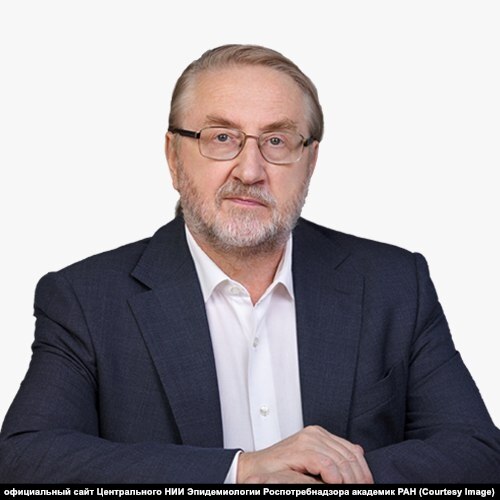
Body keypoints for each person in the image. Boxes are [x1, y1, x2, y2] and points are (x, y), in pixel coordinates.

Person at [0, 44, 499, 485]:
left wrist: (328, 480)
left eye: (277, 141)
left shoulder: (395, 283)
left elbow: (476, 451)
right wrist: (241, 471)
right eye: (222, 137)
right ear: (173, 156)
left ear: (311, 162)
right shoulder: (86, 299)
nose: (251, 169)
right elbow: (26, 459)